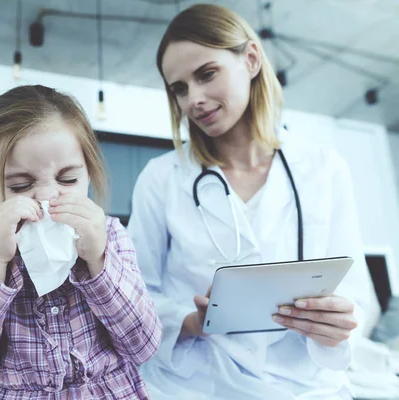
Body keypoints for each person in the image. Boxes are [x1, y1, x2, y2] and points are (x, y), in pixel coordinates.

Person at [127, 4, 373, 400]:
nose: (195, 100)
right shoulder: (161, 177)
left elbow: (354, 296)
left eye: (206, 74)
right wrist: (193, 321)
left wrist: (341, 321)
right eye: (180, 89)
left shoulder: (325, 169)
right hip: (195, 386)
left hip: (304, 388)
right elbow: (134, 297)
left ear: (252, 59)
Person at [0, 85, 162, 399]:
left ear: (87, 176)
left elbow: (144, 346)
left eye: (68, 180)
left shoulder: (109, 236)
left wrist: (98, 261)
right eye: (20, 185)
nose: (46, 196)